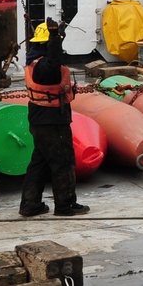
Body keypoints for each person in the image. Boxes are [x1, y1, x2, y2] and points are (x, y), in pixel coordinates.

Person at [19, 19, 90, 217]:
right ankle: (65, 205)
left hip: (39, 120)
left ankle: (30, 204)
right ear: (47, 44)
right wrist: (55, 40)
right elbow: (54, 63)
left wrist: (56, 38)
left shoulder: (33, 61)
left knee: (39, 164)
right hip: (53, 122)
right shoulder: (45, 67)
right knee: (63, 162)